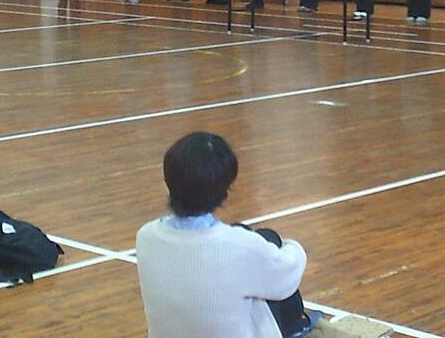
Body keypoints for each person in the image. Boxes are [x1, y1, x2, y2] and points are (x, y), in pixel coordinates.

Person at [136, 132, 322, 338]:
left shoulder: (145, 236)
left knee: (254, 239)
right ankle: (296, 326)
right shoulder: (238, 246)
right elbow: (287, 276)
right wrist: (289, 246)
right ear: (224, 190)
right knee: (268, 241)